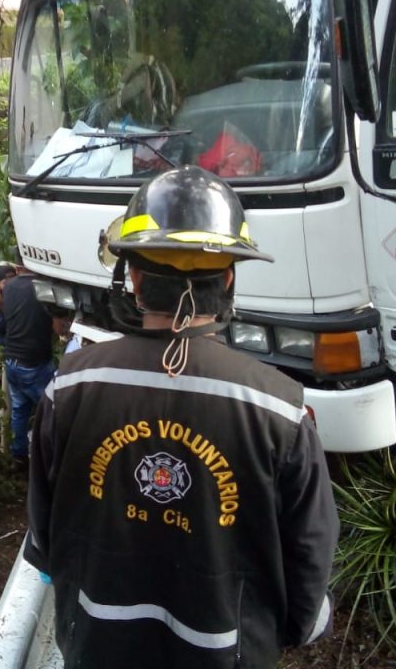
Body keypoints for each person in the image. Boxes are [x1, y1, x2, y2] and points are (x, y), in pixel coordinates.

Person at [25, 165, 339, 668]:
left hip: (98, 646)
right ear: (230, 276)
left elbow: (43, 534)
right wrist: (298, 626)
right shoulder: (281, 410)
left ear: (134, 277)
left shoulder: (70, 387)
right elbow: (309, 558)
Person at [2, 263, 59, 472]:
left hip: (12, 361)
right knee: (53, 412)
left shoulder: (8, 286)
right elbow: (57, 326)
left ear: (18, 267)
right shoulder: (43, 288)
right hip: (34, 363)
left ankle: (19, 456)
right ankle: (51, 459)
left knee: (19, 410)